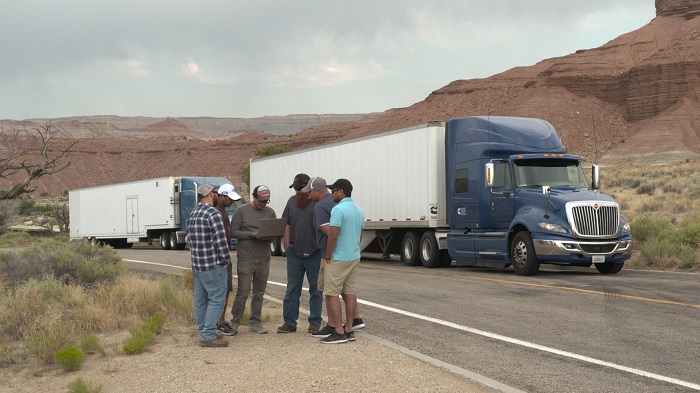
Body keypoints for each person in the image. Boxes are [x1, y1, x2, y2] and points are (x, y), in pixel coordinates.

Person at [304, 177, 365, 341]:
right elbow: (360, 234)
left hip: (338, 257)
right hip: (353, 256)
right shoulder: (358, 209)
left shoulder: (338, 209)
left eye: (334, 191)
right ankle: (349, 329)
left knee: (331, 294)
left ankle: (338, 331)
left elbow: (333, 235)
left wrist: (328, 255)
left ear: (341, 192)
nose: (332, 194)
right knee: (349, 292)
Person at [277, 174, 323, 334]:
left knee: (316, 289)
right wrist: (287, 246)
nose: (297, 192)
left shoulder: (317, 203)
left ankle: (315, 322)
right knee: (292, 289)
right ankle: (289, 322)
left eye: (299, 189)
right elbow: (286, 224)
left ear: (308, 188)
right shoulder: (291, 202)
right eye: (295, 189)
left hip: (315, 252)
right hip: (294, 253)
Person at [186, 183, 231, 347]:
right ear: (211, 194)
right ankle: (207, 335)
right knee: (217, 299)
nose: (217, 194)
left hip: (197, 265)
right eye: (215, 192)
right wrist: (225, 260)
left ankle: (205, 328)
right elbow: (220, 241)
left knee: (200, 299)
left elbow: (189, 240)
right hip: (213, 264)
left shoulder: (193, 213)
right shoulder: (213, 213)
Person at [229, 185, 276, 334]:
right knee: (243, 290)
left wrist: (269, 237)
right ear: (254, 197)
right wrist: (252, 234)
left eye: (266, 201)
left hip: (264, 257)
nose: (263, 204)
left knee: (259, 293)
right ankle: (235, 321)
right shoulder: (241, 211)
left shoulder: (270, 212)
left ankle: (255, 322)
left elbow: (274, 231)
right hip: (246, 258)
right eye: (261, 201)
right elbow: (233, 232)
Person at [214, 183, 242, 336]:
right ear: (222, 196)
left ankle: (221, 321)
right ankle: (218, 322)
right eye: (229, 199)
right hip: (220, 258)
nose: (232, 202)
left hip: (225, 256)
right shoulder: (216, 212)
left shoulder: (223, 211)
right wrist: (222, 258)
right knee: (220, 291)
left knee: (225, 290)